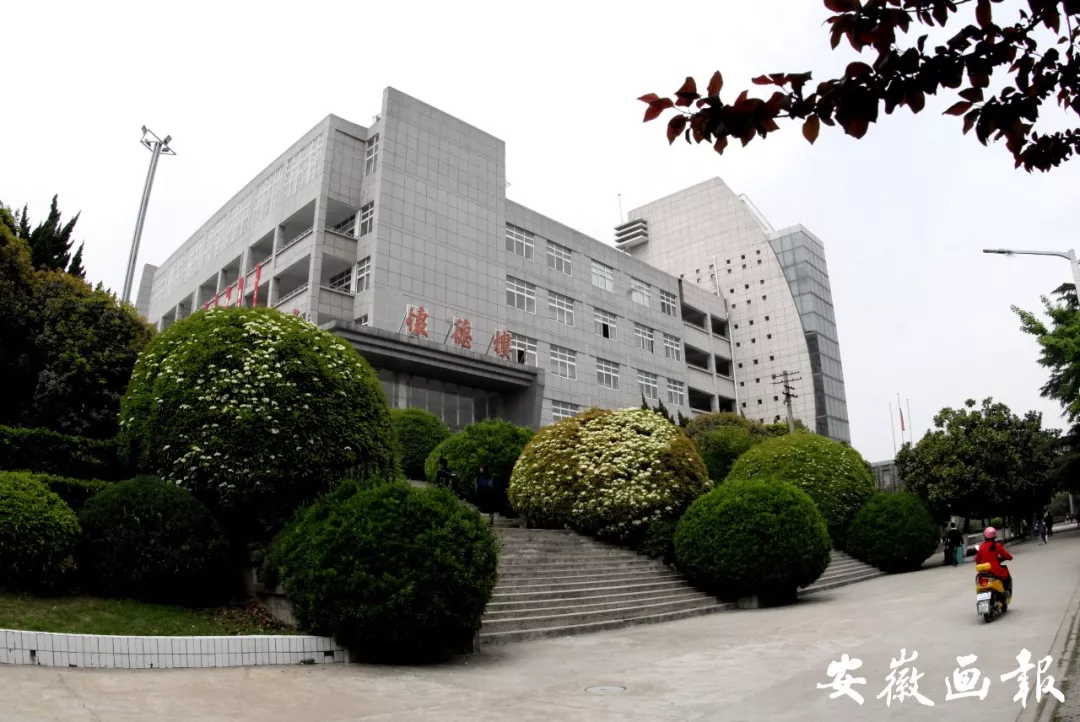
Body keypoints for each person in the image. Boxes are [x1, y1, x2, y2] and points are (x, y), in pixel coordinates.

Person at [975, 526, 1013, 597]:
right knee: (1006, 575)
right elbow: (1006, 555)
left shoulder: (981, 546)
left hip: (984, 572)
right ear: (994, 536)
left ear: (985, 536)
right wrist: (1010, 557)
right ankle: (1006, 592)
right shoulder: (997, 546)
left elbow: (977, 560)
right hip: (995, 571)